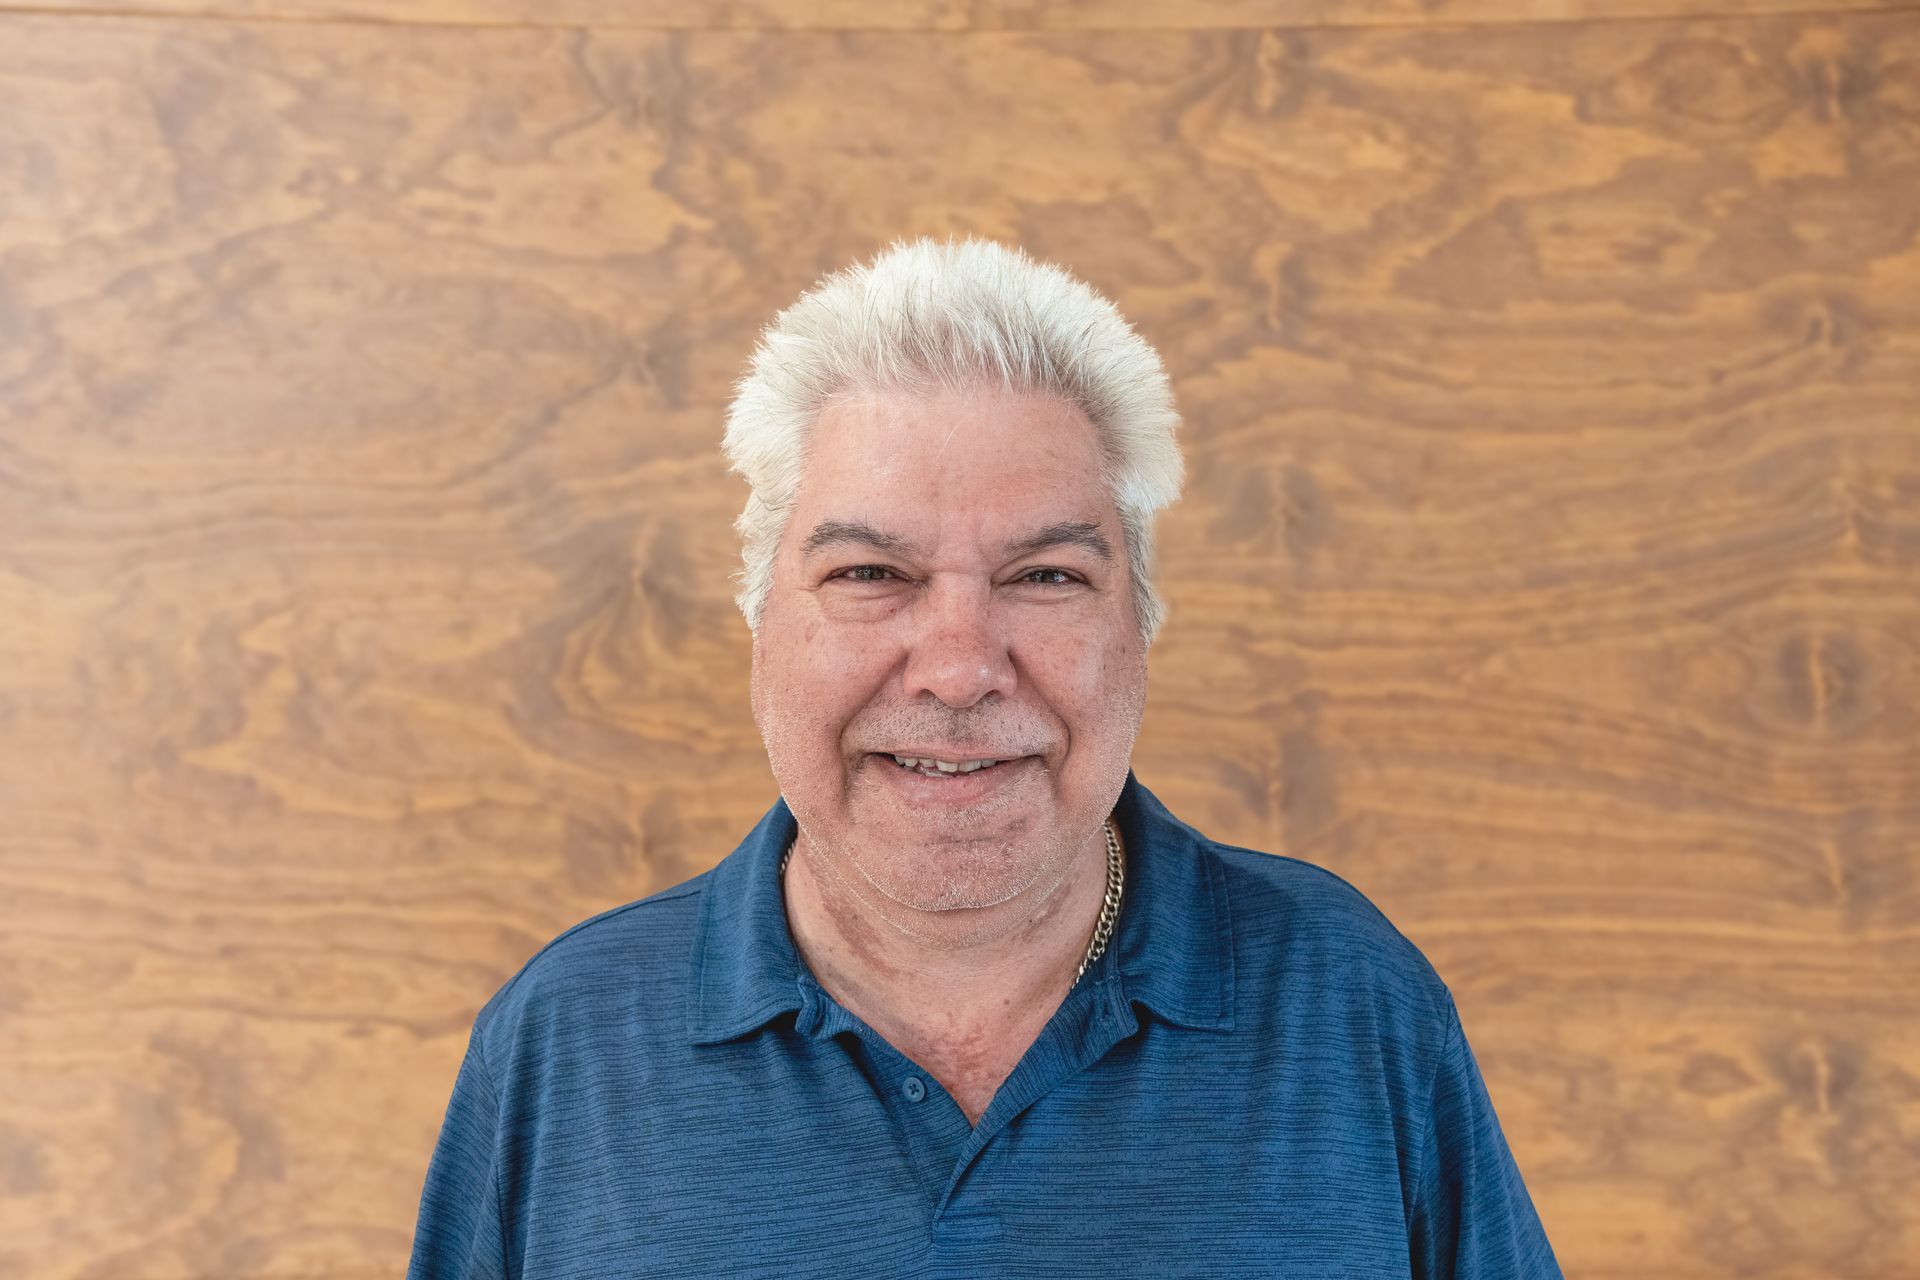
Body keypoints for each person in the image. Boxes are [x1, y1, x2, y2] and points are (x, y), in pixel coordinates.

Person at [406, 237, 1564, 1278]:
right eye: (871, 574)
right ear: (761, 622)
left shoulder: (1352, 1003)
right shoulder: (563, 1043)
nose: (960, 668)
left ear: (1139, 625)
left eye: (1045, 576)